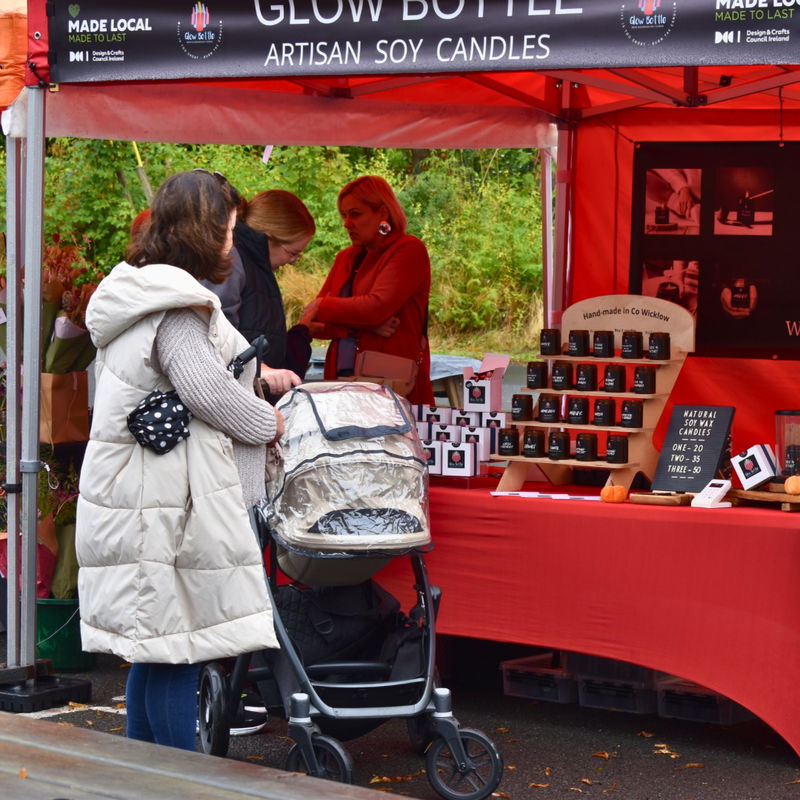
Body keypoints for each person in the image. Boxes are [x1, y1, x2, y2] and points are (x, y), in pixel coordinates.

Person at [75, 170, 281, 751]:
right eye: (229, 231)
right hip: (165, 508)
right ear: (203, 232)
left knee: (156, 653)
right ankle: (180, 784)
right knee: (179, 655)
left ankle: (141, 784)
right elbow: (208, 392)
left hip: (143, 499)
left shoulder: (141, 293)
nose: (231, 245)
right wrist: (269, 423)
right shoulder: (177, 307)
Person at [302, 175, 434, 405]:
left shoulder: (408, 250)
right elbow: (313, 324)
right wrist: (361, 324)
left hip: (391, 389)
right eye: (344, 215)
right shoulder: (345, 257)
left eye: (355, 214)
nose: (346, 223)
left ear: (383, 213)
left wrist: (324, 305)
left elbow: (375, 308)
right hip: (341, 385)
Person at [204, 189, 316, 400]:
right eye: (292, 254)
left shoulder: (253, 264)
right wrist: (260, 368)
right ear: (269, 239)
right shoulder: (232, 261)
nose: (292, 262)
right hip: (232, 398)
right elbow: (215, 335)